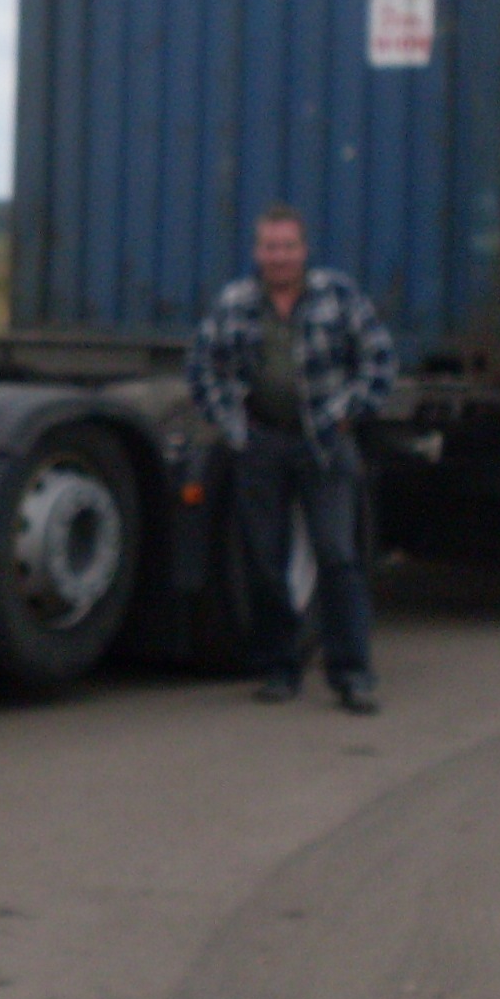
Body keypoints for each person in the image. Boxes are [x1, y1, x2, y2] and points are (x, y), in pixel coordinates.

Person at [186, 206, 395, 714]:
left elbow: (379, 360)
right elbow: (202, 367)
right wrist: (231, 423)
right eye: (269, 247)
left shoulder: (338, 295)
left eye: (287, 247)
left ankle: (352, 674)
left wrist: (346, 414)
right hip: (261, 442)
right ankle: (280, 669)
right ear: (257, 252)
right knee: (264, 561)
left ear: (304, 250)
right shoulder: (235, 303)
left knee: (337, 557)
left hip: (324, 444)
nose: (278, 257)